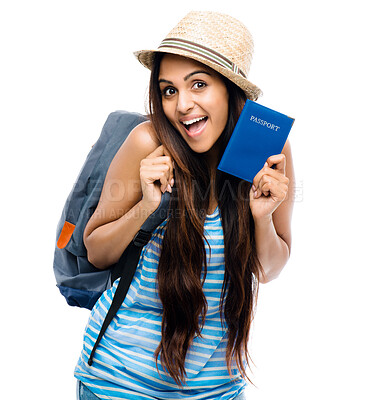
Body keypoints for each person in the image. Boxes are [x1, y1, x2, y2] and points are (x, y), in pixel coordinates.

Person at [74, 10, 294, 400]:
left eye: (198, 84)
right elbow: (96, 249)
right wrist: (146, 205)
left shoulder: (268, 151)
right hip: (120, 382)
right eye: (169, 89)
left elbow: (268, 270)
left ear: (230, 88)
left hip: (217, 389)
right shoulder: (148, 142)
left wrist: (261, 218)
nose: (182, 105)